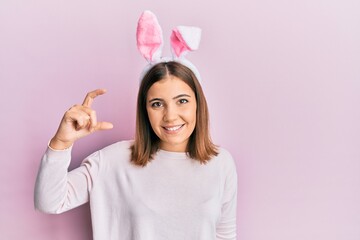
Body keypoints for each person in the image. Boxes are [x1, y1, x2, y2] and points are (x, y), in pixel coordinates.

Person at [34, 11, 237, 240]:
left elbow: (224, 235)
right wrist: (61, 143)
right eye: (157, 104)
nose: (171, 116)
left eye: (182, 101)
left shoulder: (222, 163)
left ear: (199, 104)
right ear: (145, 110)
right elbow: (49, 202)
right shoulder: (112, 161)